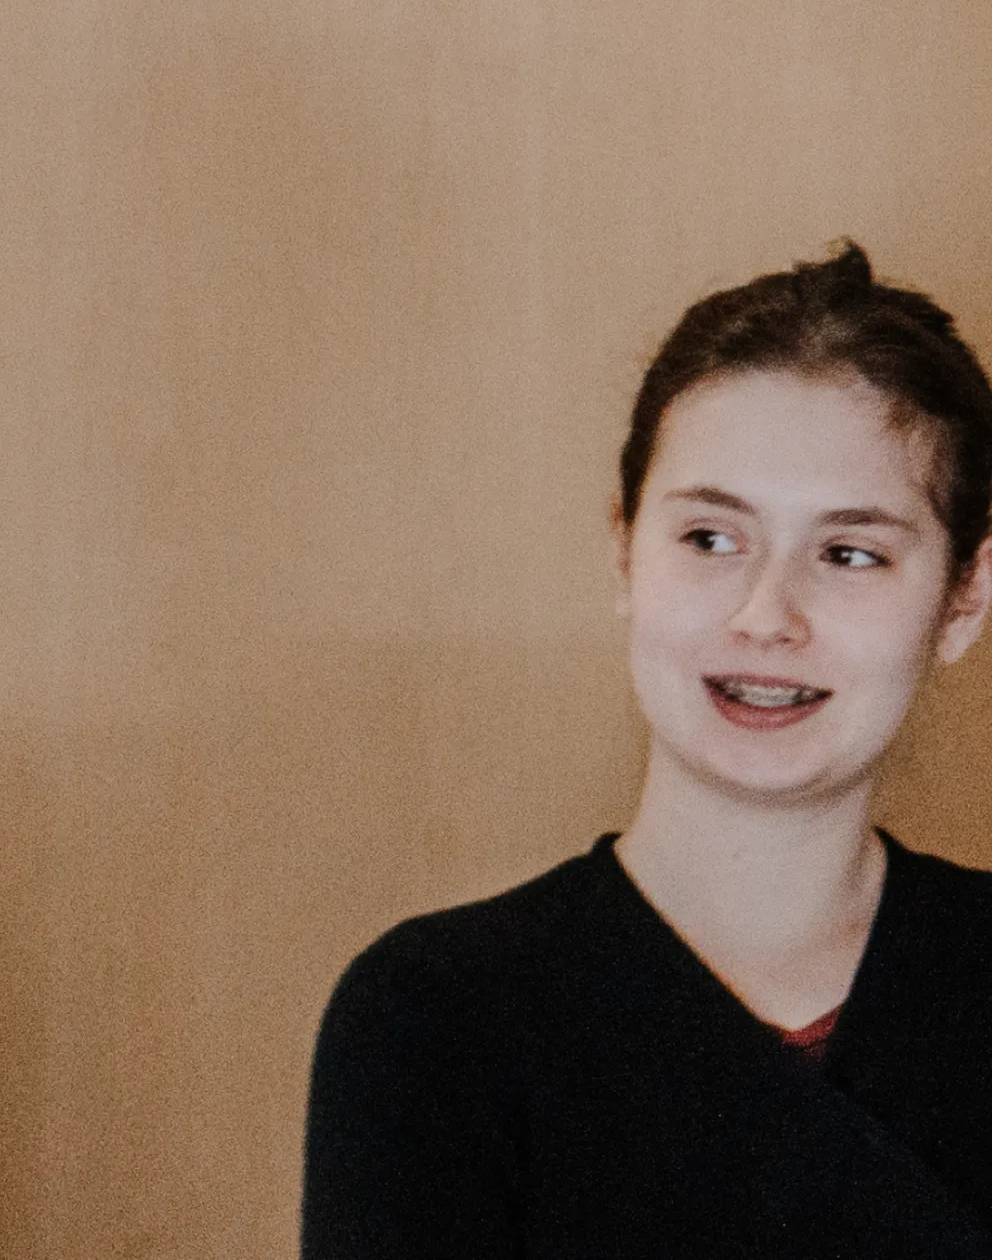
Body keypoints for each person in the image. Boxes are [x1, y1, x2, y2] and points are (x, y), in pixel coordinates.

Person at [301, 243, 992, 1258]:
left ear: (961, 601)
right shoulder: (433, 1017)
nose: (766, 616)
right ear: (624, 550)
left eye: (849, 553)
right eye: (710, 539)